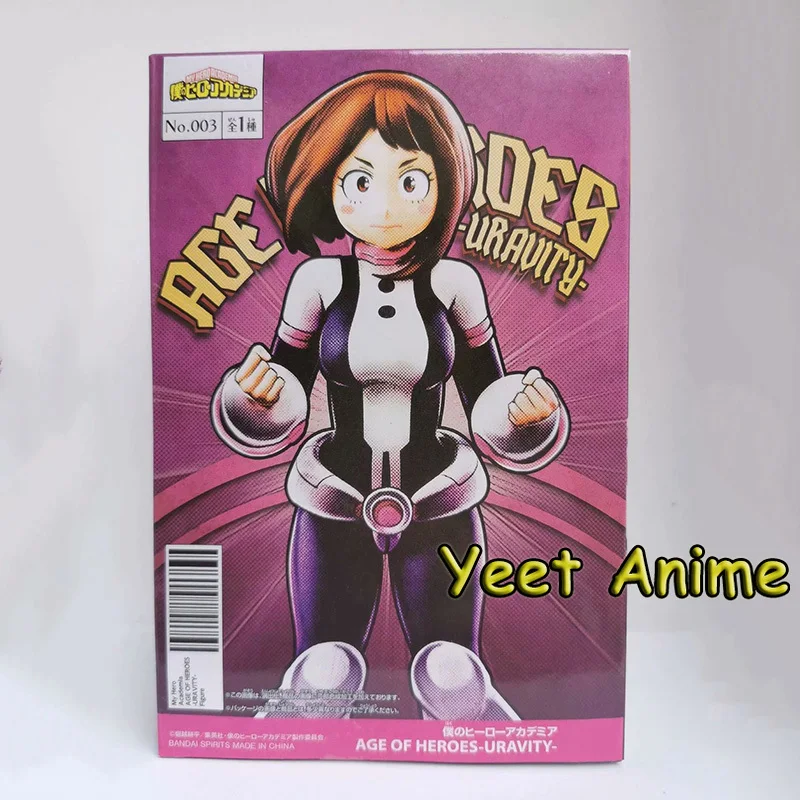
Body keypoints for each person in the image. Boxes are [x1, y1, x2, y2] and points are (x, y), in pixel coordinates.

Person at [211, 71, 569, 720]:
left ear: (443, 185)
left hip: (439, 502)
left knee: (452, 673)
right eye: (360, 181)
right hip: (333, 499)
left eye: (409, 182)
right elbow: (288, 384)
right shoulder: (318, 282)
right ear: (328, 185)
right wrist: (255, 398)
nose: (383, 206)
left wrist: (522, 413)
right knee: (321, 673)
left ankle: (481, 752)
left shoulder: (454, 284)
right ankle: (285, 755)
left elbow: (484, 389)